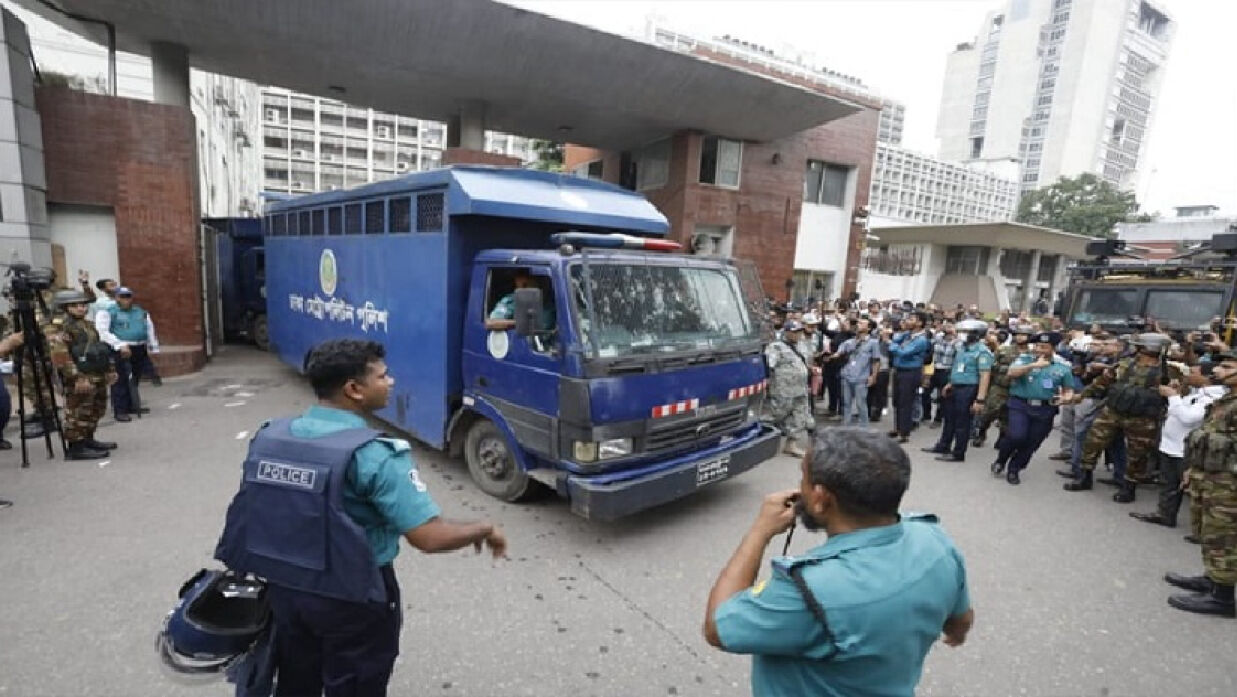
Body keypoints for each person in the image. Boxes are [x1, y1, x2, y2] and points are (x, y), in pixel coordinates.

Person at [215, 339, 509, 694]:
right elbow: (428, 538)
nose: (392, 382)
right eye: (383, 376)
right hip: (353, 596)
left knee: (296, 676)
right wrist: (484, 527)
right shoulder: (375, 454)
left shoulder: (269, 436)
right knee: (355, 683)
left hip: (286, 589)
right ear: (354, 389)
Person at [702, 428, 973, 696]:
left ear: (820, 499)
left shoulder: (809, 592)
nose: (800, 489)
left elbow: (717, 627)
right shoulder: (934, 539)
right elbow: (959, 624)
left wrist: (759, 532)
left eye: (803, 479)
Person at [1163, 349, 1237, 618]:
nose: (1217, 371)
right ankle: (1213, 579)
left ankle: (1224, 598)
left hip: (1229, 485)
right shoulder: (1228, 399)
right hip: (1211, 477)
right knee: (1209, 531)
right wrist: (1193, 469)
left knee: (1224, 537)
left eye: (1227, 367)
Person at [1064, 332, 1171, 502]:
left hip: (1142, 418)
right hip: (1113, 412)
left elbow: (1179, 393)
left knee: (1137, 454)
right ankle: (1084, 477)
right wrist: (1080, 396)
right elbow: (1101, 383)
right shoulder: (1124, 365)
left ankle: (1129, 488)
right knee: (1093, 442)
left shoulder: (1168, 371)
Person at [1130, 375, 1225, 529]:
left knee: (1193, 489)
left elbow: (1189, 418)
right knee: (1168, 483)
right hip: (1171, 446)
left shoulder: (1212, 397)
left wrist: (1173, 397)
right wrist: (1178, 393)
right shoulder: (1197, 392)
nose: (1187, 375)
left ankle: (1202, 529)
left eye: (1193, 371)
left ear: (1205, 377)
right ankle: (1165, 514)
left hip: (1186, 449)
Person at [990, 332, 1075, 485]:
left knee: (1031, 443)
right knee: (1016, 436)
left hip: (1045, 409)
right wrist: (1033, 365)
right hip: (1020, 405)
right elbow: (1011, 373)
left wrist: (1066, 397)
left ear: (1053, 348)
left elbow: (1068, 389)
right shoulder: (1024, 359)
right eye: (1037, 346)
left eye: (1044, 347)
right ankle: (1001, 460)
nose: (1039, 350)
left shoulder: (1063, 367)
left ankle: (1014, 469)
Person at [47, 290, 117, 460]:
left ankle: (88, 439)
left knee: (95, 409)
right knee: (78, 411)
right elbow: (60, 354)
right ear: (65, 307)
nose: (81, 308)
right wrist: (76, 377)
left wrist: (110, 369)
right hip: (79, 376)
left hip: (96, 374)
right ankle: (76, 447)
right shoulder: (60, 327)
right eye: (75, 305)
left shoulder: (88, 325)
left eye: (83, 305)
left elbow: (99, 349)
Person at [923, 320, 992, 463]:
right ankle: (943, 445)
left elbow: (985, 376)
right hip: (955, 387)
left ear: (976, 334)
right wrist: (950, 383)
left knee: (962, 422)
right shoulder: (962, 348)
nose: (961, 335)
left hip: (969, 389)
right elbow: (957, 367)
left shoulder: (982, 352)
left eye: (965, 332)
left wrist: (980, 399)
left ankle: (958, 453)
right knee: (949, 419)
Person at [97, 287, 159, 422]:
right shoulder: (108, 312)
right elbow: (102, 332)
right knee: (120, 379)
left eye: (128, 296)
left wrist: (153, 347)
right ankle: (120, 410)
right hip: (121, 348)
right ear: (116, 298)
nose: (126, 299)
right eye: (122, 296)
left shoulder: (140, 311)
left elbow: (149, 328)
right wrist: (119, 344)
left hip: (139, 347)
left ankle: (131, 405)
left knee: (134, 377)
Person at [973, 324, 1032, 448]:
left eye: (1024, 335)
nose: (1020, 337)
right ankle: (981, 433)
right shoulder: (1004, 350)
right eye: (1018, 334)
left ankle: (1002, 438)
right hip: (999, 386)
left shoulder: (1032, 354)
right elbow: (991, 367)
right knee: (988, 412)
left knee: (1007, 416)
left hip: (1017, 389)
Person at [765, 320, 813, 457]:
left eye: (799, 332)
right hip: (784, 390)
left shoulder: (801, 345)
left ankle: (791, 445)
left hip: (800, 388)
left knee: (799, 416)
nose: (797, 335)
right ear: (787, 332)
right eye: (794, 332)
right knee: (777, 415)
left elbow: (803, 362)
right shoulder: (776, 347)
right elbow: (770, 366)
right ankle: (760, 435)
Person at [887, 312, 929, 443]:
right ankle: (898, 427)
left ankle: (905, 432)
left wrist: (890, 343)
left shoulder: (921, 340)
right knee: (897, 401)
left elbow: (903, 352)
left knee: (906, 402)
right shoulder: (908, 335)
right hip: (899, 370)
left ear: (920, 323)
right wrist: (894, 341)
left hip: (910, 372)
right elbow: (896, 339)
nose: (907, 321)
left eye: (911, 319)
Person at [835, 318, 880, 426]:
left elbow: (876, 361)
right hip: (847, 376)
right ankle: (846, 427)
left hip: (861, 378)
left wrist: (873, 376)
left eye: (861, 323)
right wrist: (831, 355)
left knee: (861, 404)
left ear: (868, 328)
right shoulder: (850, 342)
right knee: (846, 403)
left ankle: (864, 429)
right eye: (857, 323)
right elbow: (838, 352)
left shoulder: (873, 343)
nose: (858, 325)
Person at [927, 323, 957, 428]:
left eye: (951, 327)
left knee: (943, 396)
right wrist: (936, 332)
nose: (948, 328)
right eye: (947, 327)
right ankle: (925, 415)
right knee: (926, 391)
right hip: (934, 369)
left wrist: (954, 335)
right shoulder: (938, 337)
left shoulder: (957, 342)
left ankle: (938, 418)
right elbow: (929, 345)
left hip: (947, 370)